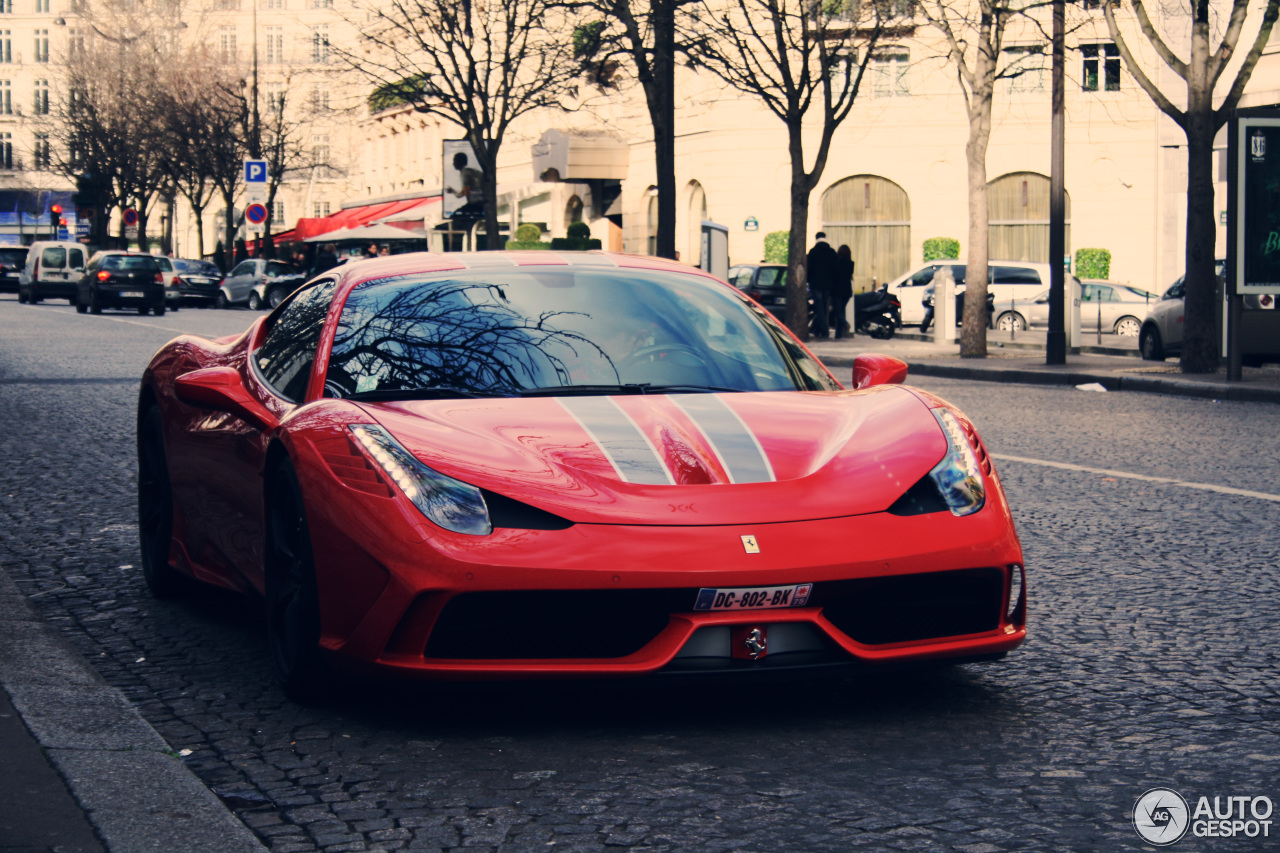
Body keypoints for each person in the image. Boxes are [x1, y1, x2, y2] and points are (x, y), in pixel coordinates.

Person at [806, 232, 837, 338]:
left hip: (816, 284)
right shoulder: (832, 252)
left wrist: (808, 280)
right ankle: (819, 329)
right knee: (824, 307)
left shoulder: (813, 252)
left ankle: (823, 330)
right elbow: (835, 269)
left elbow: (808, 268)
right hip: (828, 284)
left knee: (819, 308)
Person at [832, 244, 854, 339]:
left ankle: (845, 324)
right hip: (847, 290)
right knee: (841, 311)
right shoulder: (851, 263)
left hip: (837, 290)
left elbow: (835, 275)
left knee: (838, 312)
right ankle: (838, 334)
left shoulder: (836, 263)